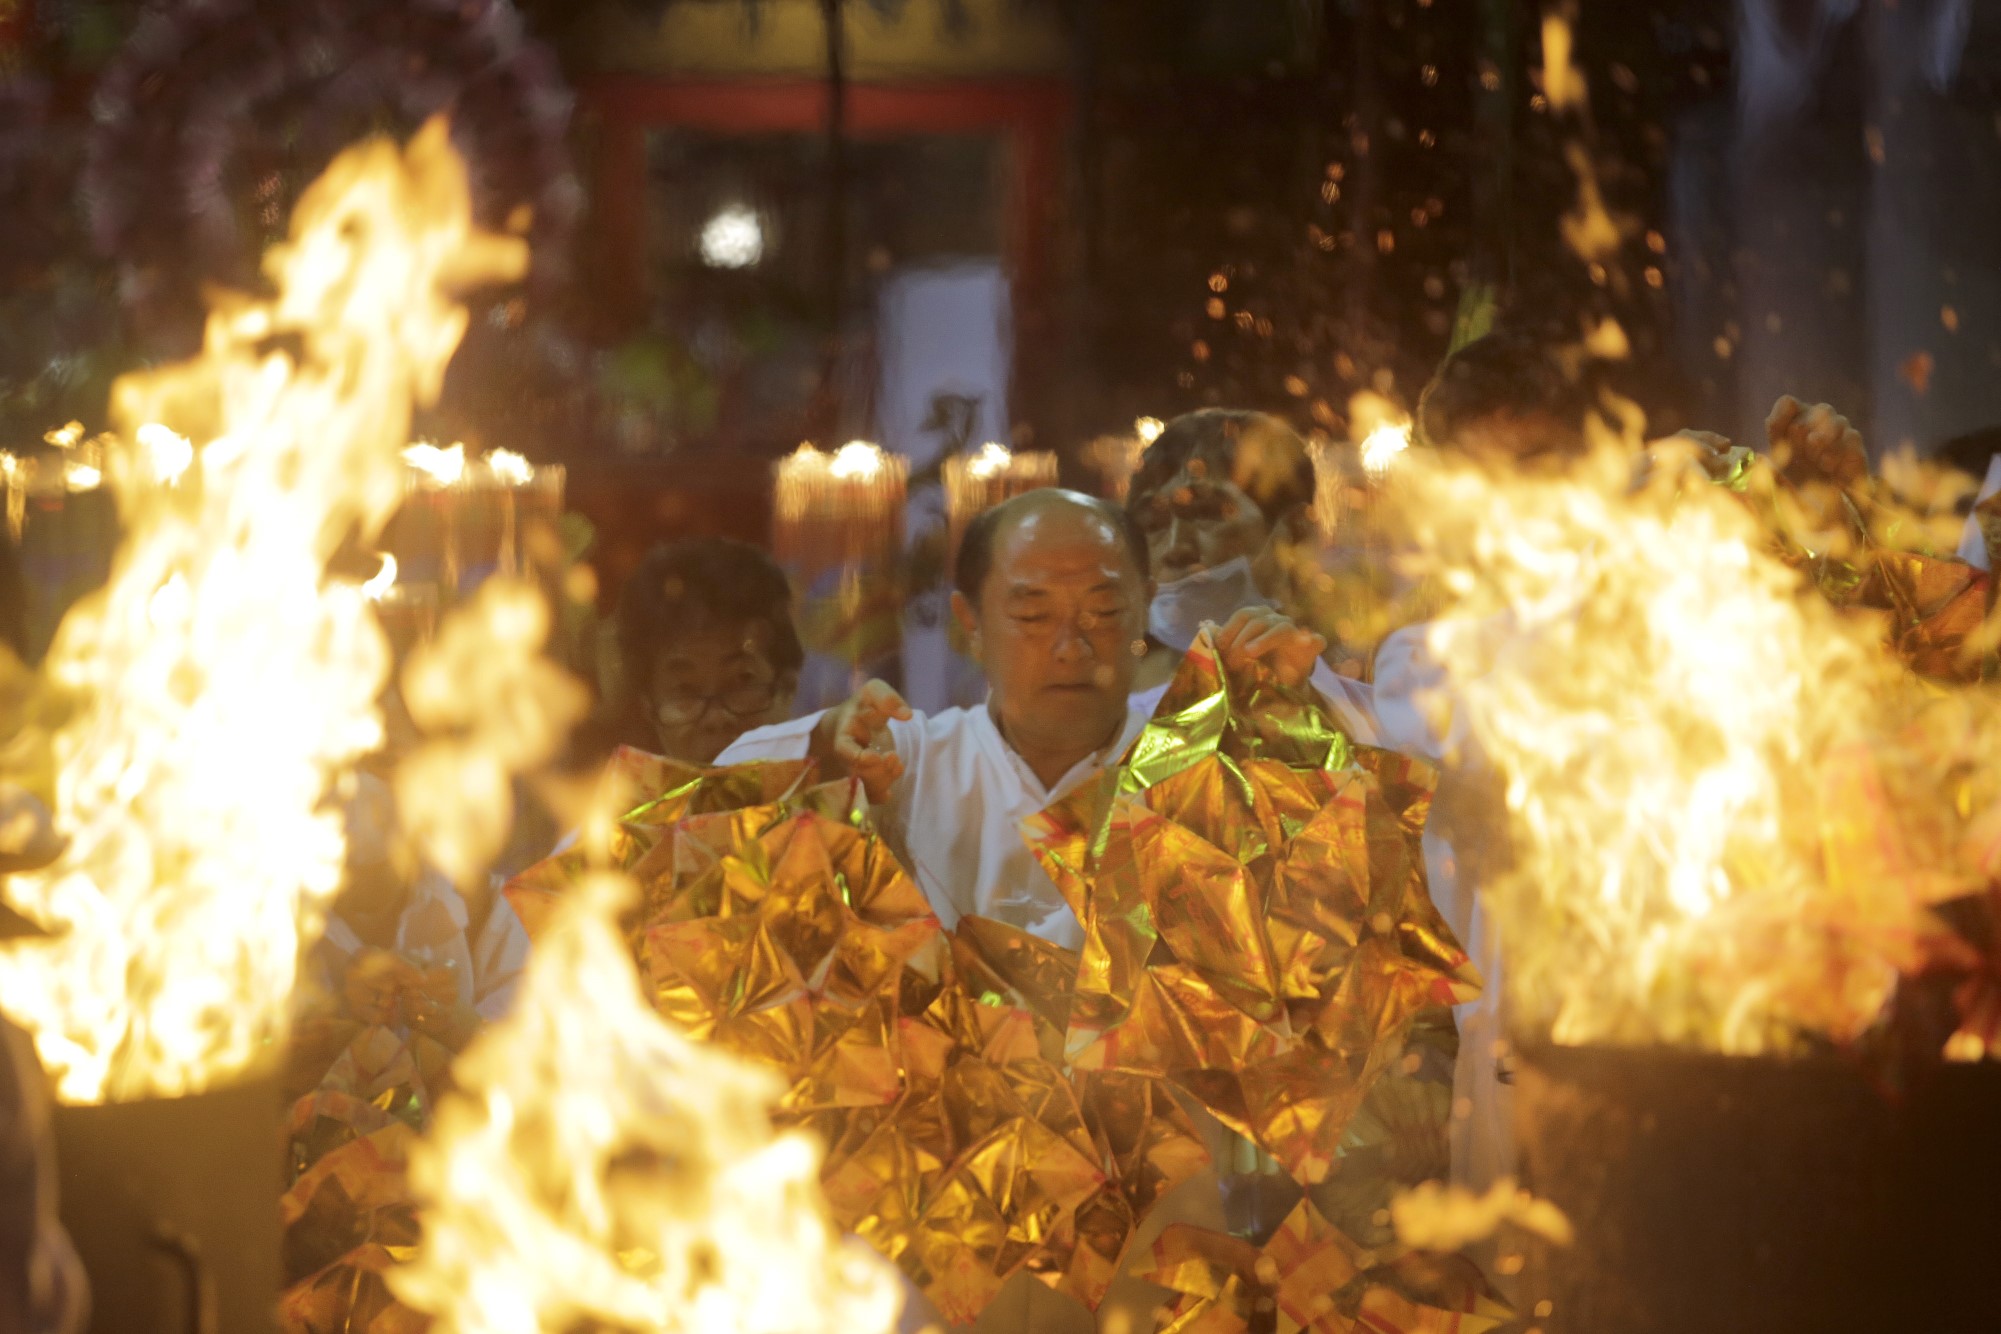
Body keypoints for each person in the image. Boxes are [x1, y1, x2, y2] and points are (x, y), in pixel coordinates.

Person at [717, 488, 1325, 948]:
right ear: (971, 624)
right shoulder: (906, 763)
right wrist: (825, 744)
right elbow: (711, 816)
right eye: (1033, 617)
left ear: (1144, 612)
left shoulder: (1195, 770)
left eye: (1104, 611)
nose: (1070, 646)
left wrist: (1291, 720)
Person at [1125, 408, 1380, 743]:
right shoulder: (1112, 738)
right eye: (1154, 523)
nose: (1176, 546)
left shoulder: (1385, 726)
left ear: (1293, 534)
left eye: (1206, 513)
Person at [297, 774, 529, 1071]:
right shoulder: (266, 922)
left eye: (382, 765)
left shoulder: (491, 912)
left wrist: (458, 1025)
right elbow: (244, 1066)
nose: (362, 789)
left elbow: (532, 1073)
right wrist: (340, 1024)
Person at [608, 538, 803, 764]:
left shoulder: (843, 797)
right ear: (649, 707)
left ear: (788, 688)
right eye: (685, 689)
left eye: (742, 680)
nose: (717, 719)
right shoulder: (604, 798)